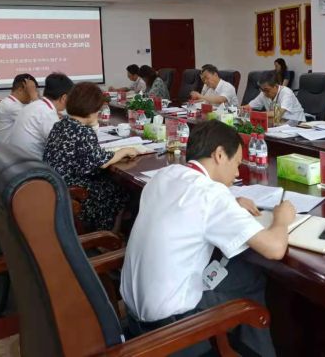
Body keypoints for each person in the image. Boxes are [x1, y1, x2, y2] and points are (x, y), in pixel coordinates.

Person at [120, 120, 295, 357]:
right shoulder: (212, 195)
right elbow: (274, 249)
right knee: (252, 278)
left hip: (135, 316)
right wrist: (281, 219)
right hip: (172, 327)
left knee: (239, 270)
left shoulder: (165, 175)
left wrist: (231, 203)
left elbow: (190, 207)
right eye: (237, 163)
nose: (237, 173)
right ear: (220, 155)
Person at [43, 82, 136, 232]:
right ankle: (109, 237)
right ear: (92, 108)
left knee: (112, 181)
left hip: (57, 186)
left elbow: (88, 156)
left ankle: (116, 229)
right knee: (119, 190)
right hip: (74, 191)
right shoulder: (83, 131)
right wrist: (124, 151)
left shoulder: (60, 124)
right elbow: (100, 162)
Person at [8, 72, 74, 159]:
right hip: (30, 164)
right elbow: (61, 146)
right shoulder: (47, 112)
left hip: (17, 159)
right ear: (64, 98)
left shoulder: (36, 105)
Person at [0, 74, 39, 144]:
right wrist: (34, 96)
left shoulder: (10, 101)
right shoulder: (12, 106)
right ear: (20, 89)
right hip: (7, 150)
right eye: (30, 91)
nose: (31, 95)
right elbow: (40, 123)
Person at [241, 71, 305, 122]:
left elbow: (277, 113)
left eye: (267, 90)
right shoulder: (263, 93)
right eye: (262, 90)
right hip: (278, 124)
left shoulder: (286, 92)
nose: (264, 93)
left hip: (296, 125)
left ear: (276, 86)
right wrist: (238, 110)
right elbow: (248, 107)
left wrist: (254, 114)